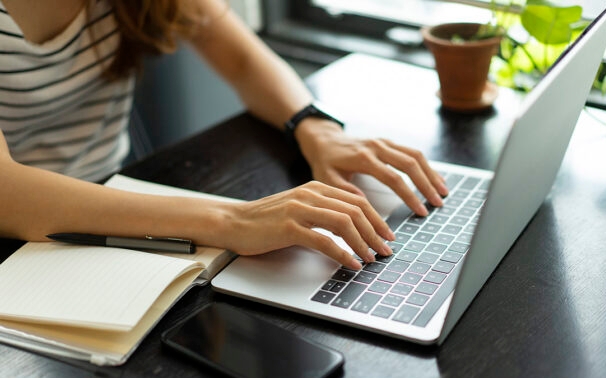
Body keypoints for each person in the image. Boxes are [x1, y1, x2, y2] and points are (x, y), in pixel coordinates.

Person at [0, 0, 448, 271]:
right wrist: (232, 220)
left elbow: (242, 59)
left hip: (113, 192)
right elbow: (9, 194)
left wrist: (315, 126)